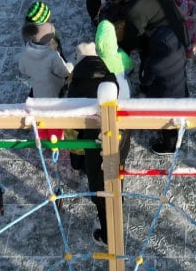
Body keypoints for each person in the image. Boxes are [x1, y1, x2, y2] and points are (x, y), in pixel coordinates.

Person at [105, 0, 190, 153]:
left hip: (161, 40)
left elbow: (132, 37)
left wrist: (122, 50)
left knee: (161, 91)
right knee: (178, 77)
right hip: (178, 34)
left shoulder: (135, 8)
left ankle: (170, 142)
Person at [66, 41, 132, 246]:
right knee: (114, 175)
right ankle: (116, 203)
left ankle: (109, 235)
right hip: (119, 139)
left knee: (101, 188)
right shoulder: (110, 77)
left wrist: (77, 154)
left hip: (97, 146)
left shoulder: (76, 87)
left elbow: (73, 126)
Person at [19, 11, 72, 99]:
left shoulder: (25, 52)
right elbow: (64, 72)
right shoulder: (52, 55)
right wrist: (70, 66)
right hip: (54, 90)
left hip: (38, 91)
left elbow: (23, 69)